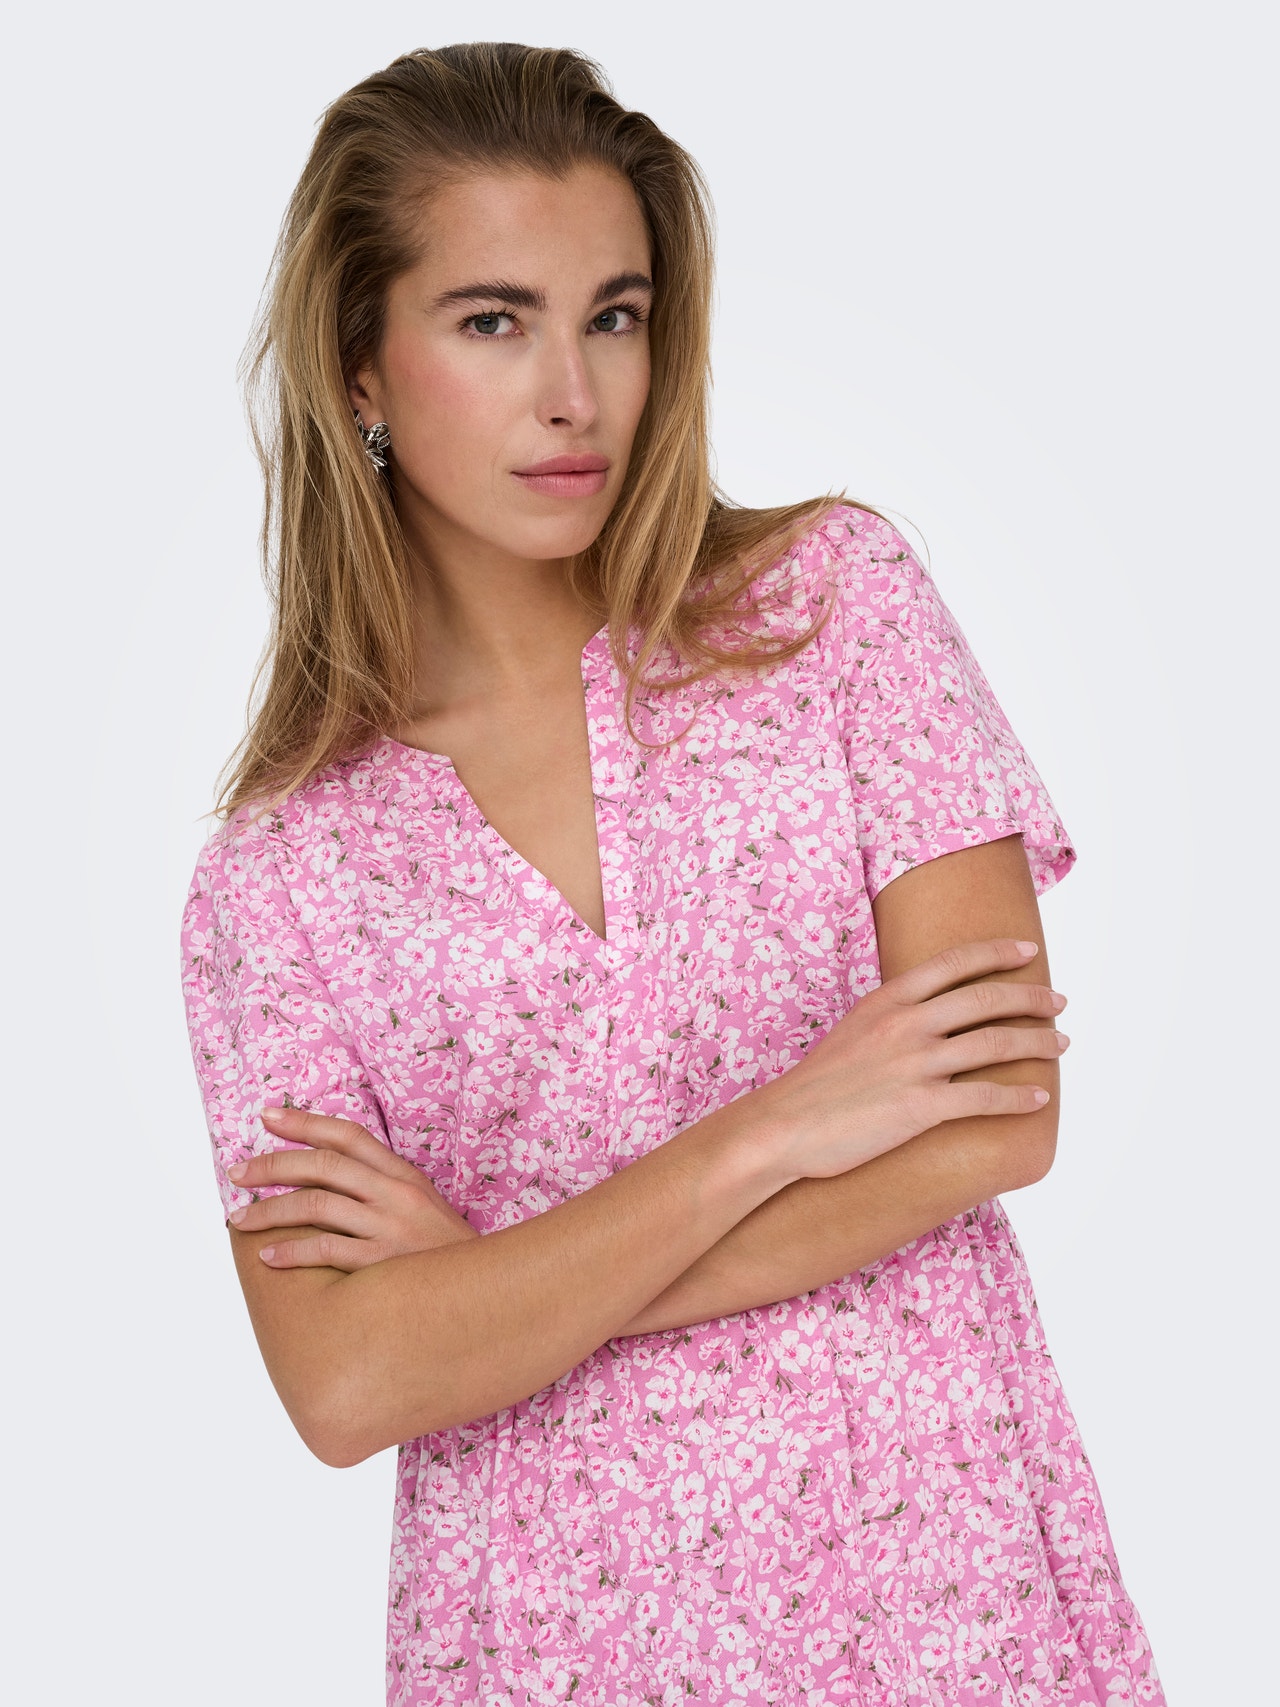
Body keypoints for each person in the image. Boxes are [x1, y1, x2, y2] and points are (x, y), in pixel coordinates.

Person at [180, 41, 1164, 1707]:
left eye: (614, 315)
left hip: (948, 1590)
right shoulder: (278, 880)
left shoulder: (832, 611)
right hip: (550, 1642)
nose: (573, 393)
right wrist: (780, 1129)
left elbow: (999, 1116)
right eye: (492, 321)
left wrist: (489, 1290)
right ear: (360, 373)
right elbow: (345, 1385)